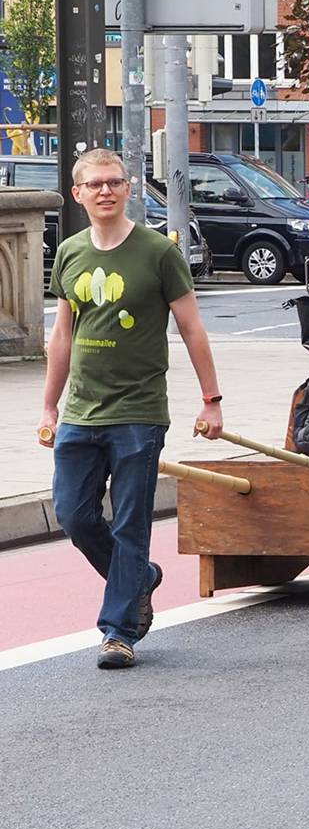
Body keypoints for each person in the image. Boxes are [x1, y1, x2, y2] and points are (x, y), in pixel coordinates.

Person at [38, 149, 225, 670]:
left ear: (128, 189)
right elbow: (62, 334)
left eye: (114, 182)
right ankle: (139, 578)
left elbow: (191, 328)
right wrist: (50, 406)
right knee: (75, 515)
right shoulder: (71, 252)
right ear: (77, 194)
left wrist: (212, 401)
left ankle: (119, 630)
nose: (105, 191)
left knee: (130, 524)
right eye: (94, 184)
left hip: (139, 411)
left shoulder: (158, 252)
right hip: (80, 411)